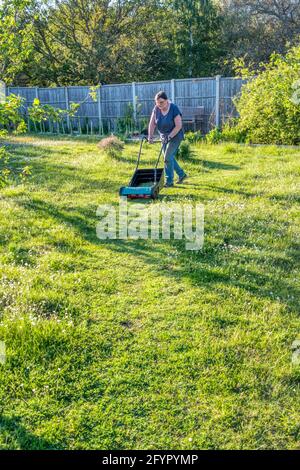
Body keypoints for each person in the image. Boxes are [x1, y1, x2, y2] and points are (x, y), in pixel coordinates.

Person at [148, 91, 188, 188]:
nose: (159, 104)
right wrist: (150, 136)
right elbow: (152, 123)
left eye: (161, 102)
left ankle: (169, 181)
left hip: (175, 135)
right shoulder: (156, 109)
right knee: (168, 158)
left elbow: (178, 126)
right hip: (163, 136)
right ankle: (182, 175)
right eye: (157, 102)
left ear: (166, 100)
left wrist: (169, 137)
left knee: (167, 157)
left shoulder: (173, 108)